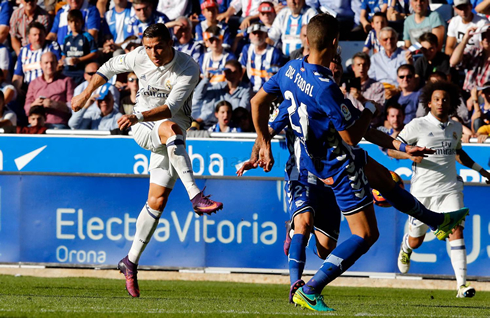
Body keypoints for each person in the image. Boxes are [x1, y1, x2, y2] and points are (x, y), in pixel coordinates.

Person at [250, 13, 469, 311]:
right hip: (337, 165)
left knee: (383, 178)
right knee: (366, 234)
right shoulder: (325, 88)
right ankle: (310, 288)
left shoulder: (290, 70)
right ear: (336, 43)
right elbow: (353, 135)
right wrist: (369, 108)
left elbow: (256, 102)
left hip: (331, 157)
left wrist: (262, 138)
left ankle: (436, 221)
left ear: (307, 40)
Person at [70, 23, 223, 298]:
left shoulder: (188, 67)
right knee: (170, 129)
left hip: (165, 131)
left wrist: (137, 115)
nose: (152, 53)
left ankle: (130, 261)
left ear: (171, 42)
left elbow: (171, 108)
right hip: (146, 129)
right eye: (148, 47)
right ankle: (196, 196)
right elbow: (107, 68)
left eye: (158, 46)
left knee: (156, 202)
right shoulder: (139, 55)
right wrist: (85, 93)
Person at [391, 80, 490, 298]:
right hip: (422, 193)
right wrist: (408, 154)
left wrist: (483, 171)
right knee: (416, 240)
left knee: (456, 229)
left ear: (452, 103)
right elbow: (391, 150)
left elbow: (459, 154)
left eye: (445, 99)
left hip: (450, 189)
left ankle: (462, 285)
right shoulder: (417, 125)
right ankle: (406, 246)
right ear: (429, 103)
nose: (441, 103)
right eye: (436, 99)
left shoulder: (455, 127)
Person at [192, 59, 252, 129]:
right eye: (228, 71)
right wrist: (206, 78)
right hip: (212, 125)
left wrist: (225, 115)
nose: (231, 75)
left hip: (234, 126)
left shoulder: (246, 90)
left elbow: (242, 111)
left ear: (241, 73)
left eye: (234, 72)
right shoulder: (219, 86)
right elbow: (198, 96)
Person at [25, 52, 73, 129]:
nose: (49, 66)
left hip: (58, 125)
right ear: (41, 64)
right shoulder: (34, 83)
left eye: (52, 62)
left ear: (57, 63)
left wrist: (55, 104)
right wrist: (33, 104)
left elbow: (73, 107)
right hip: (37, 125)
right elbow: (26, 108)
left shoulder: (67, 81)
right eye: (46, 63)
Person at [12, 22, 61, 95]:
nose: (38, 37)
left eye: (40, 34)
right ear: (29, 37)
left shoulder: (52, 46)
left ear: (45, 35)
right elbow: (18, 76)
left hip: (48, 87)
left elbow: (59, 66)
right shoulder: (23, 51)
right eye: (34, 35)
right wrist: (17, 90)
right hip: (28, 89)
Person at [239, 22, 284, 93]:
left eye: (260, 33)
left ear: (266, 34)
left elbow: (274, 76)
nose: (257, 35)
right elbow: (242, 71)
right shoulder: (246, 49)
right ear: (250, 35)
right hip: (249, 89)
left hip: (267, 91)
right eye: (254, 33)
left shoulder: (274, 52)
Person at [61, 9, 98, 86]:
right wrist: (63, 61)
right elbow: (64, 54)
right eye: (71, 22)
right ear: (68, 23)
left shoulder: (87, 36)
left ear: (82, 22)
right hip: (68, 70)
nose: (74, 25)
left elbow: (94, 53)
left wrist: (79, 60)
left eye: (76, 21)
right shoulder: (66, 38)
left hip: (82, 70)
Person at [450, 25, 490, 92]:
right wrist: (464, 40)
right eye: (484, 35)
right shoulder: (475, 51)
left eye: (489, 35)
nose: (486, 39)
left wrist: (474, 98)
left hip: (485, 97)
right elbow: (453, 62)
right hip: (467, 93)